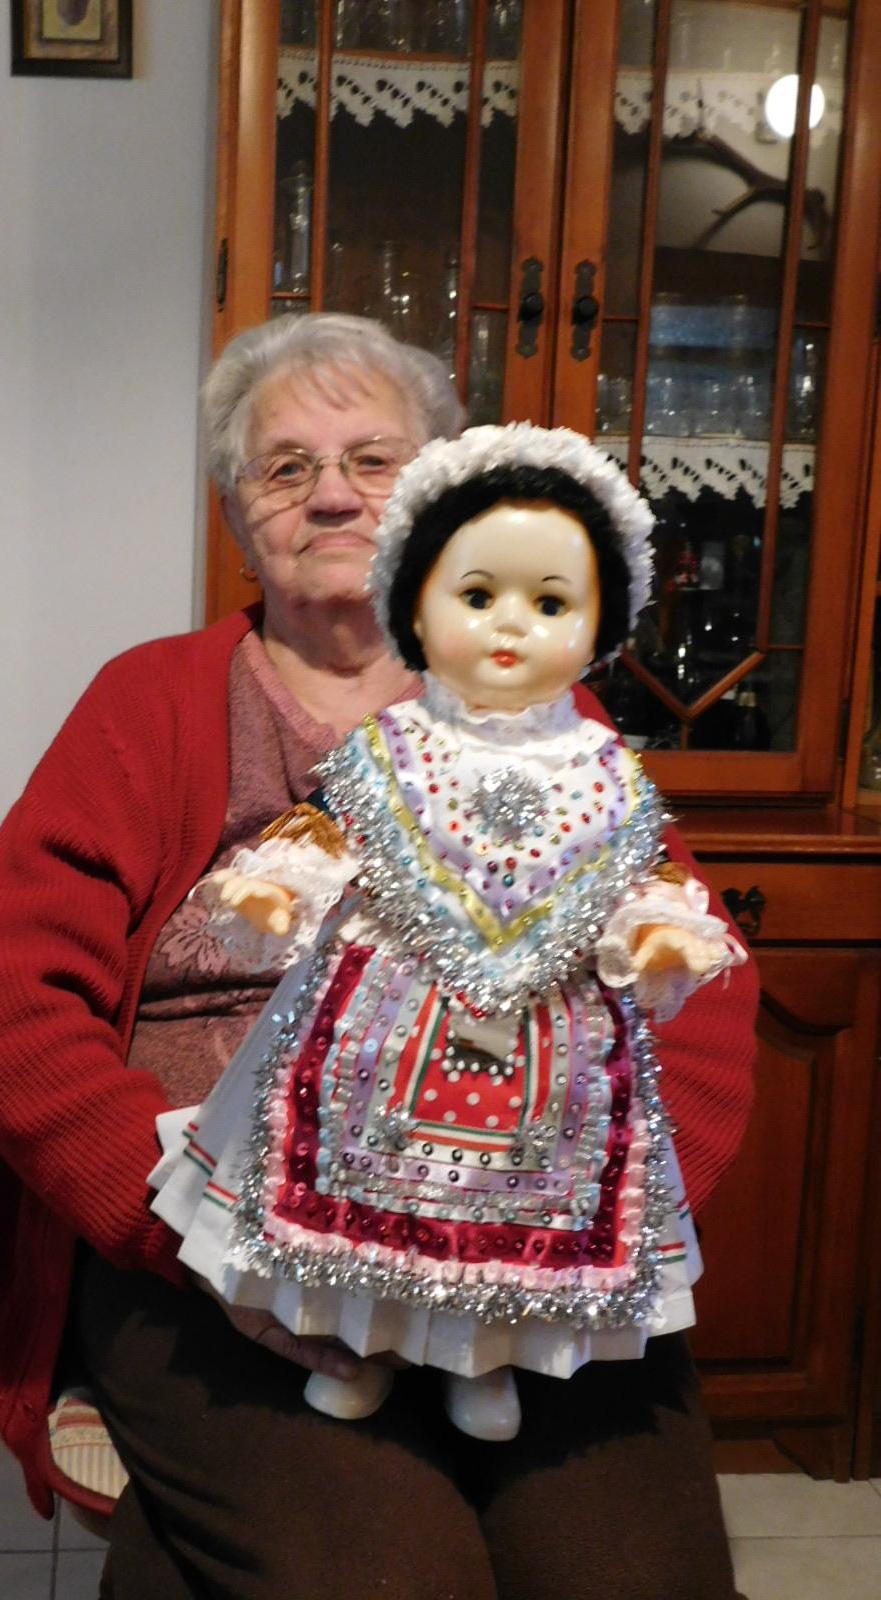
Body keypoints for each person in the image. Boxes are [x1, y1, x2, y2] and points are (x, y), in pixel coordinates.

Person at [0, 314, 758, 1599]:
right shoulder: (155, 700)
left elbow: (694, 980)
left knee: (636, 1577)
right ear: (234, 511)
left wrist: (600, 1218)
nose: (330, 495)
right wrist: (174, 1219)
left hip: (539, 1241)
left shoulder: (555, 722)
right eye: (284, 467)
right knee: (385, 1576)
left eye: (373, 460)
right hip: (223, 1237)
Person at [148, 423, 746, 1441]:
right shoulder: (393, 745)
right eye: (476, 595)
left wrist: (658, 932)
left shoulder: (603, 770)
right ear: (415, 607)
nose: (510, 625)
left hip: (547, 1047)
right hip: (380, 1035)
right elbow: (328, 830)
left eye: (550, 604)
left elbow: (641, 872)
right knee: (359, 1192)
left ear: (602, 625)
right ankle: (363, 1345)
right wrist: (277, 892)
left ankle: (485, 1362)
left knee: (509, 1211)